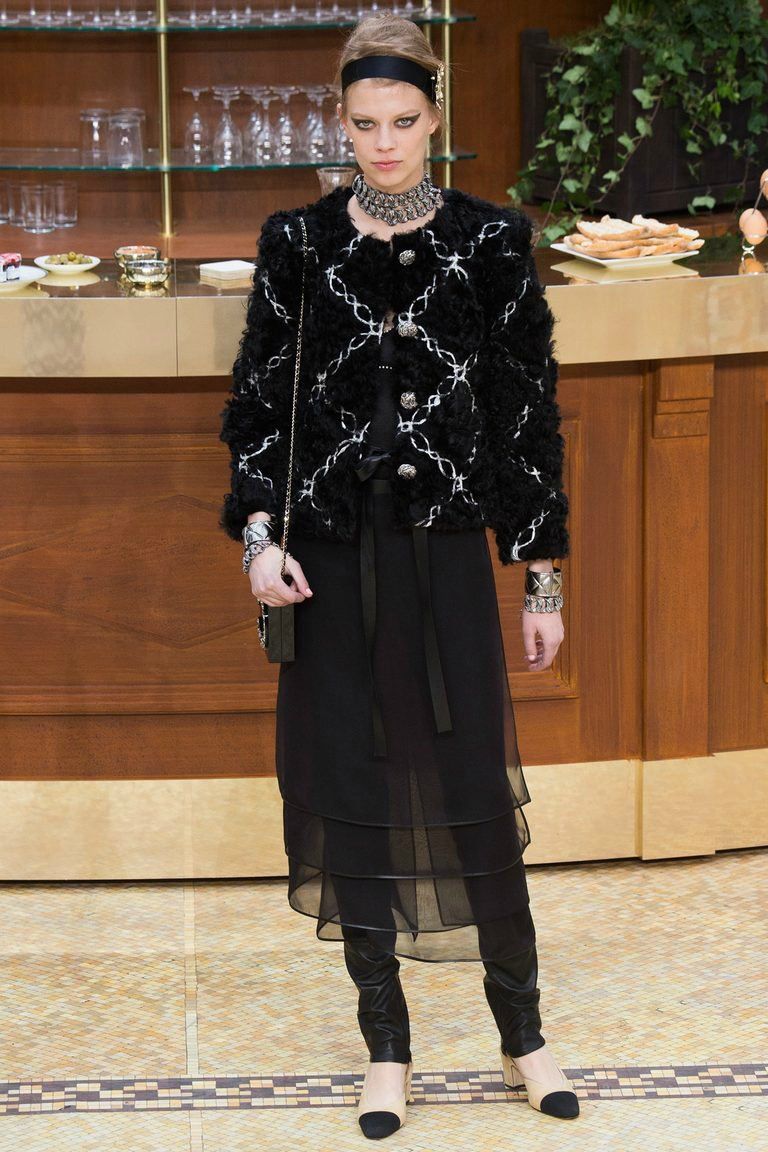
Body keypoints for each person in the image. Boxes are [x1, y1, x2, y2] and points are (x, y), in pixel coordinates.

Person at [219, 12, 578, 1139]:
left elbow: (527, 418)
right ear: (341, 119)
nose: (383, 143)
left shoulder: (492, 240)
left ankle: (525, 1035)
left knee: (475, 794)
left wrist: (543, 580)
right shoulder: (297, 243)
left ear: (435, 117)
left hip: (446, 558)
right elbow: (257, 408)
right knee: (357, 795)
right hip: (328, 565)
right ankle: (386, 1045)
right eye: (365, 123)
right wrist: (259, 540)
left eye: (403, 121)